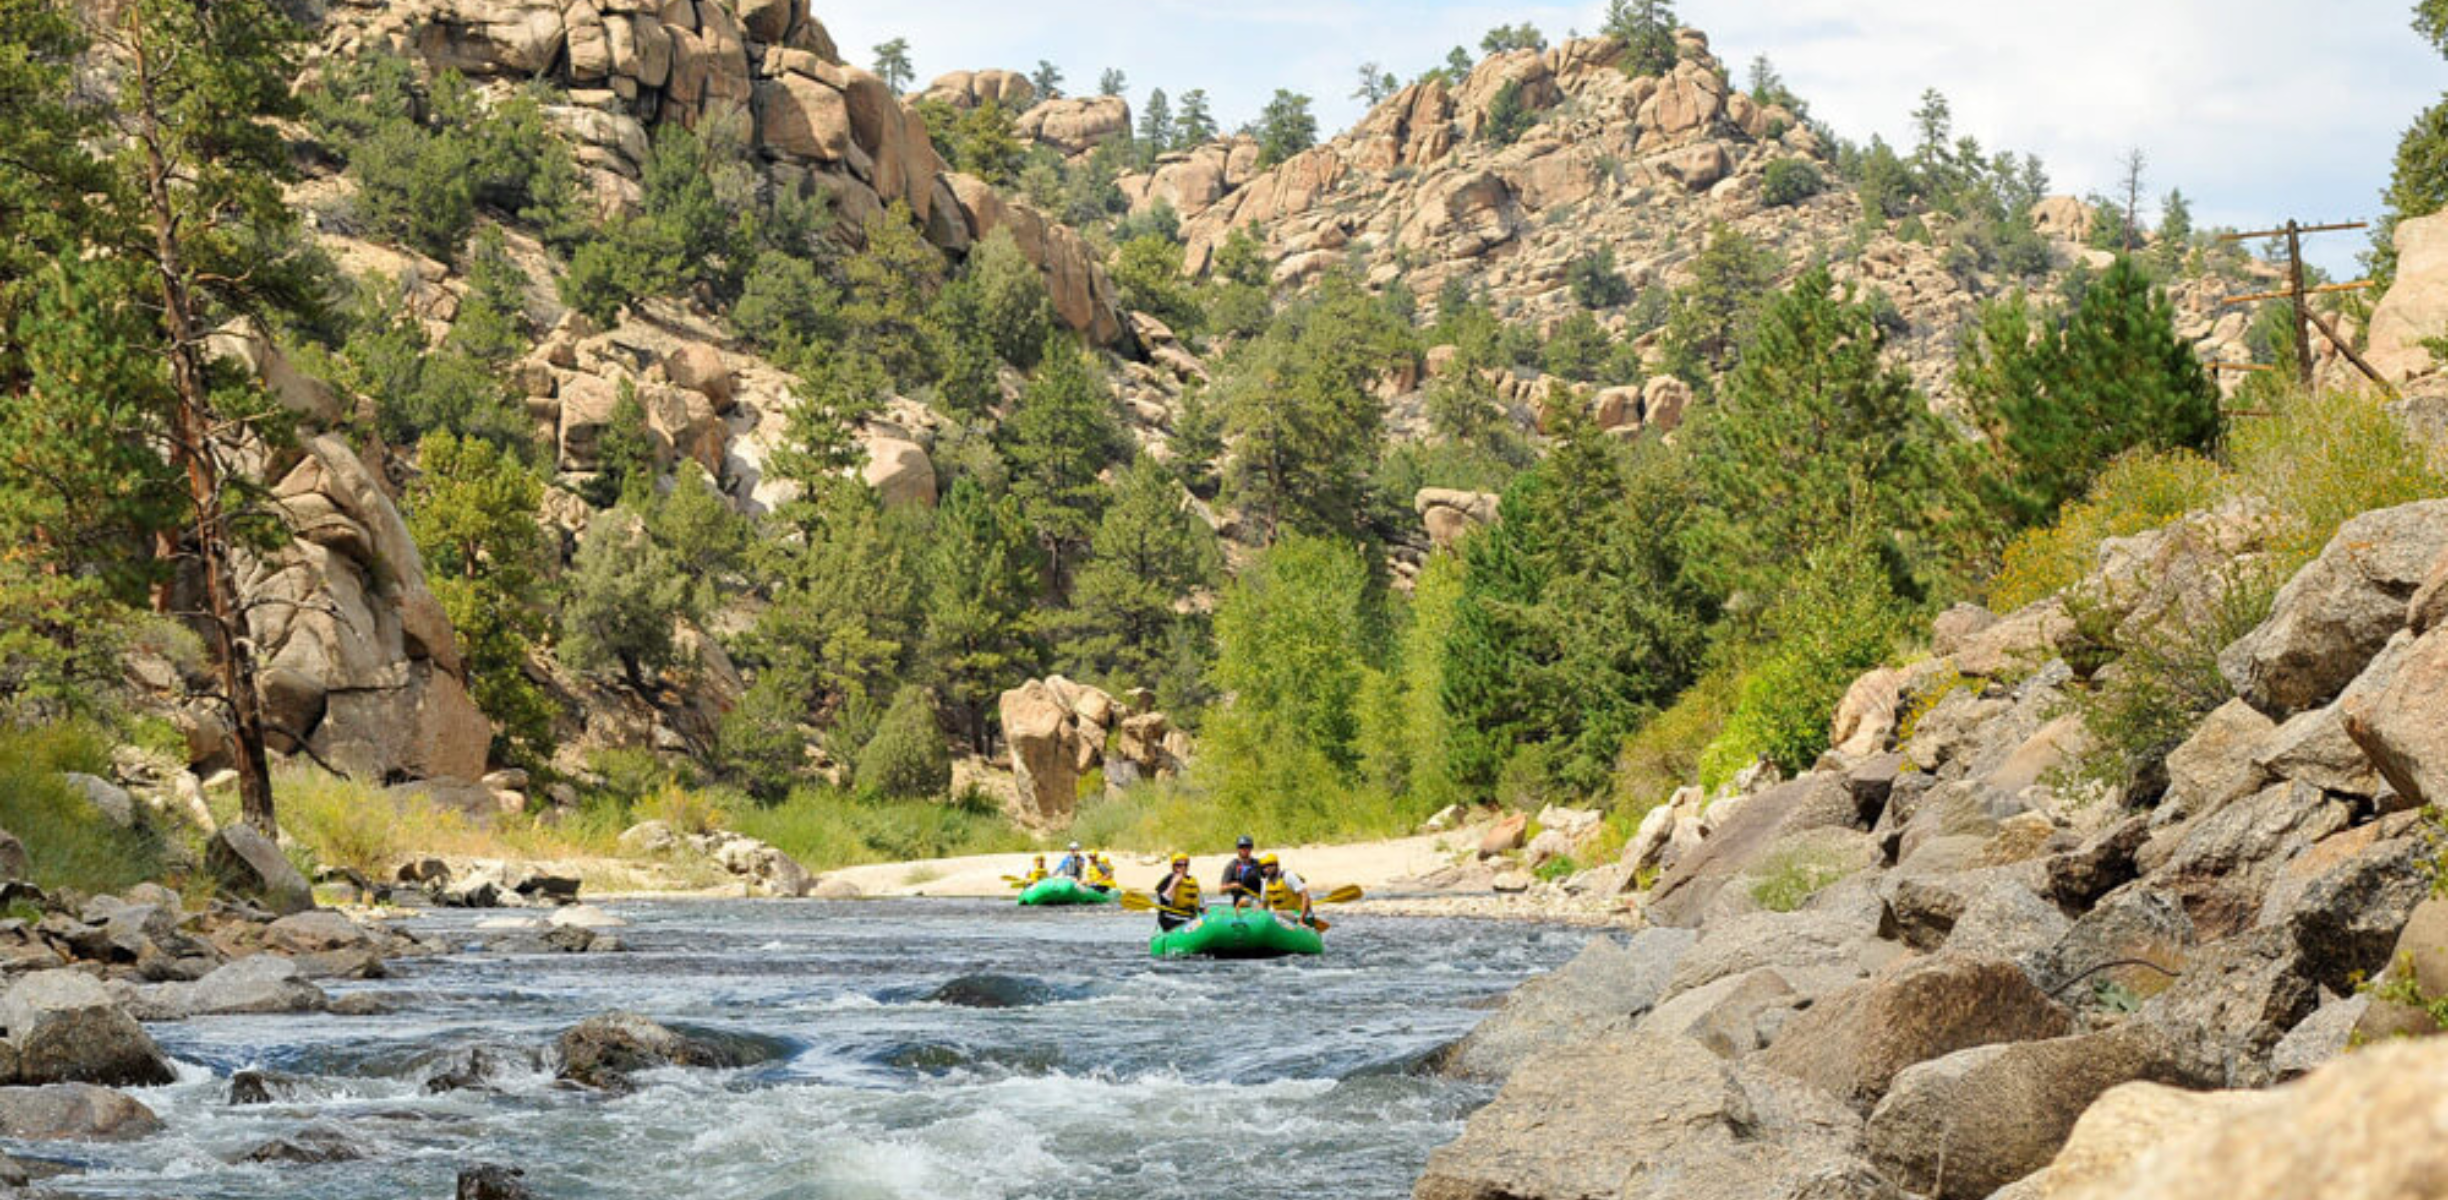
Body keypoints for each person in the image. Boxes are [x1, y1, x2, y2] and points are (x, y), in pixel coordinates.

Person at [1256, 853, 1315, 925]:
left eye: (1270, 865)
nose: (1267, 868)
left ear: (1276, 865)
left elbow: (1305, 895)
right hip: (1282, 917)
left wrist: (1301, 919)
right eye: (1264, 867)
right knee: (1260, 911)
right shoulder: (1265, 882)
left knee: (1275, 914)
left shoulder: (1287, 876)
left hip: (1300, 914)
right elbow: (1264, 905)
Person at [1153, 853, 1201, 932]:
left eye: (1185, 865)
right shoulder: (1167, 880)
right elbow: (1164, 902)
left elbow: (1201, 905)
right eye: (1179, 865)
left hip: (1190, 919)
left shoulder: (1192, 881)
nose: (1183, 868)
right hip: (1171, 920)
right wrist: (1173, 884)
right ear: (1173, 867)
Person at [1220, 835, 1265, 906]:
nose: (1244, 849)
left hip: (1258, 901)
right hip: (1240, 904)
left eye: (1247, 847)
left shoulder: (1258, 864)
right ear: (1238, 849)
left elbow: (1269, 878)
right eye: (1242, 847)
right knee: (1244, 901)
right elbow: (1221, 891)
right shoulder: (1232, 866)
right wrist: (1232, 886)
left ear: (1251, 848)